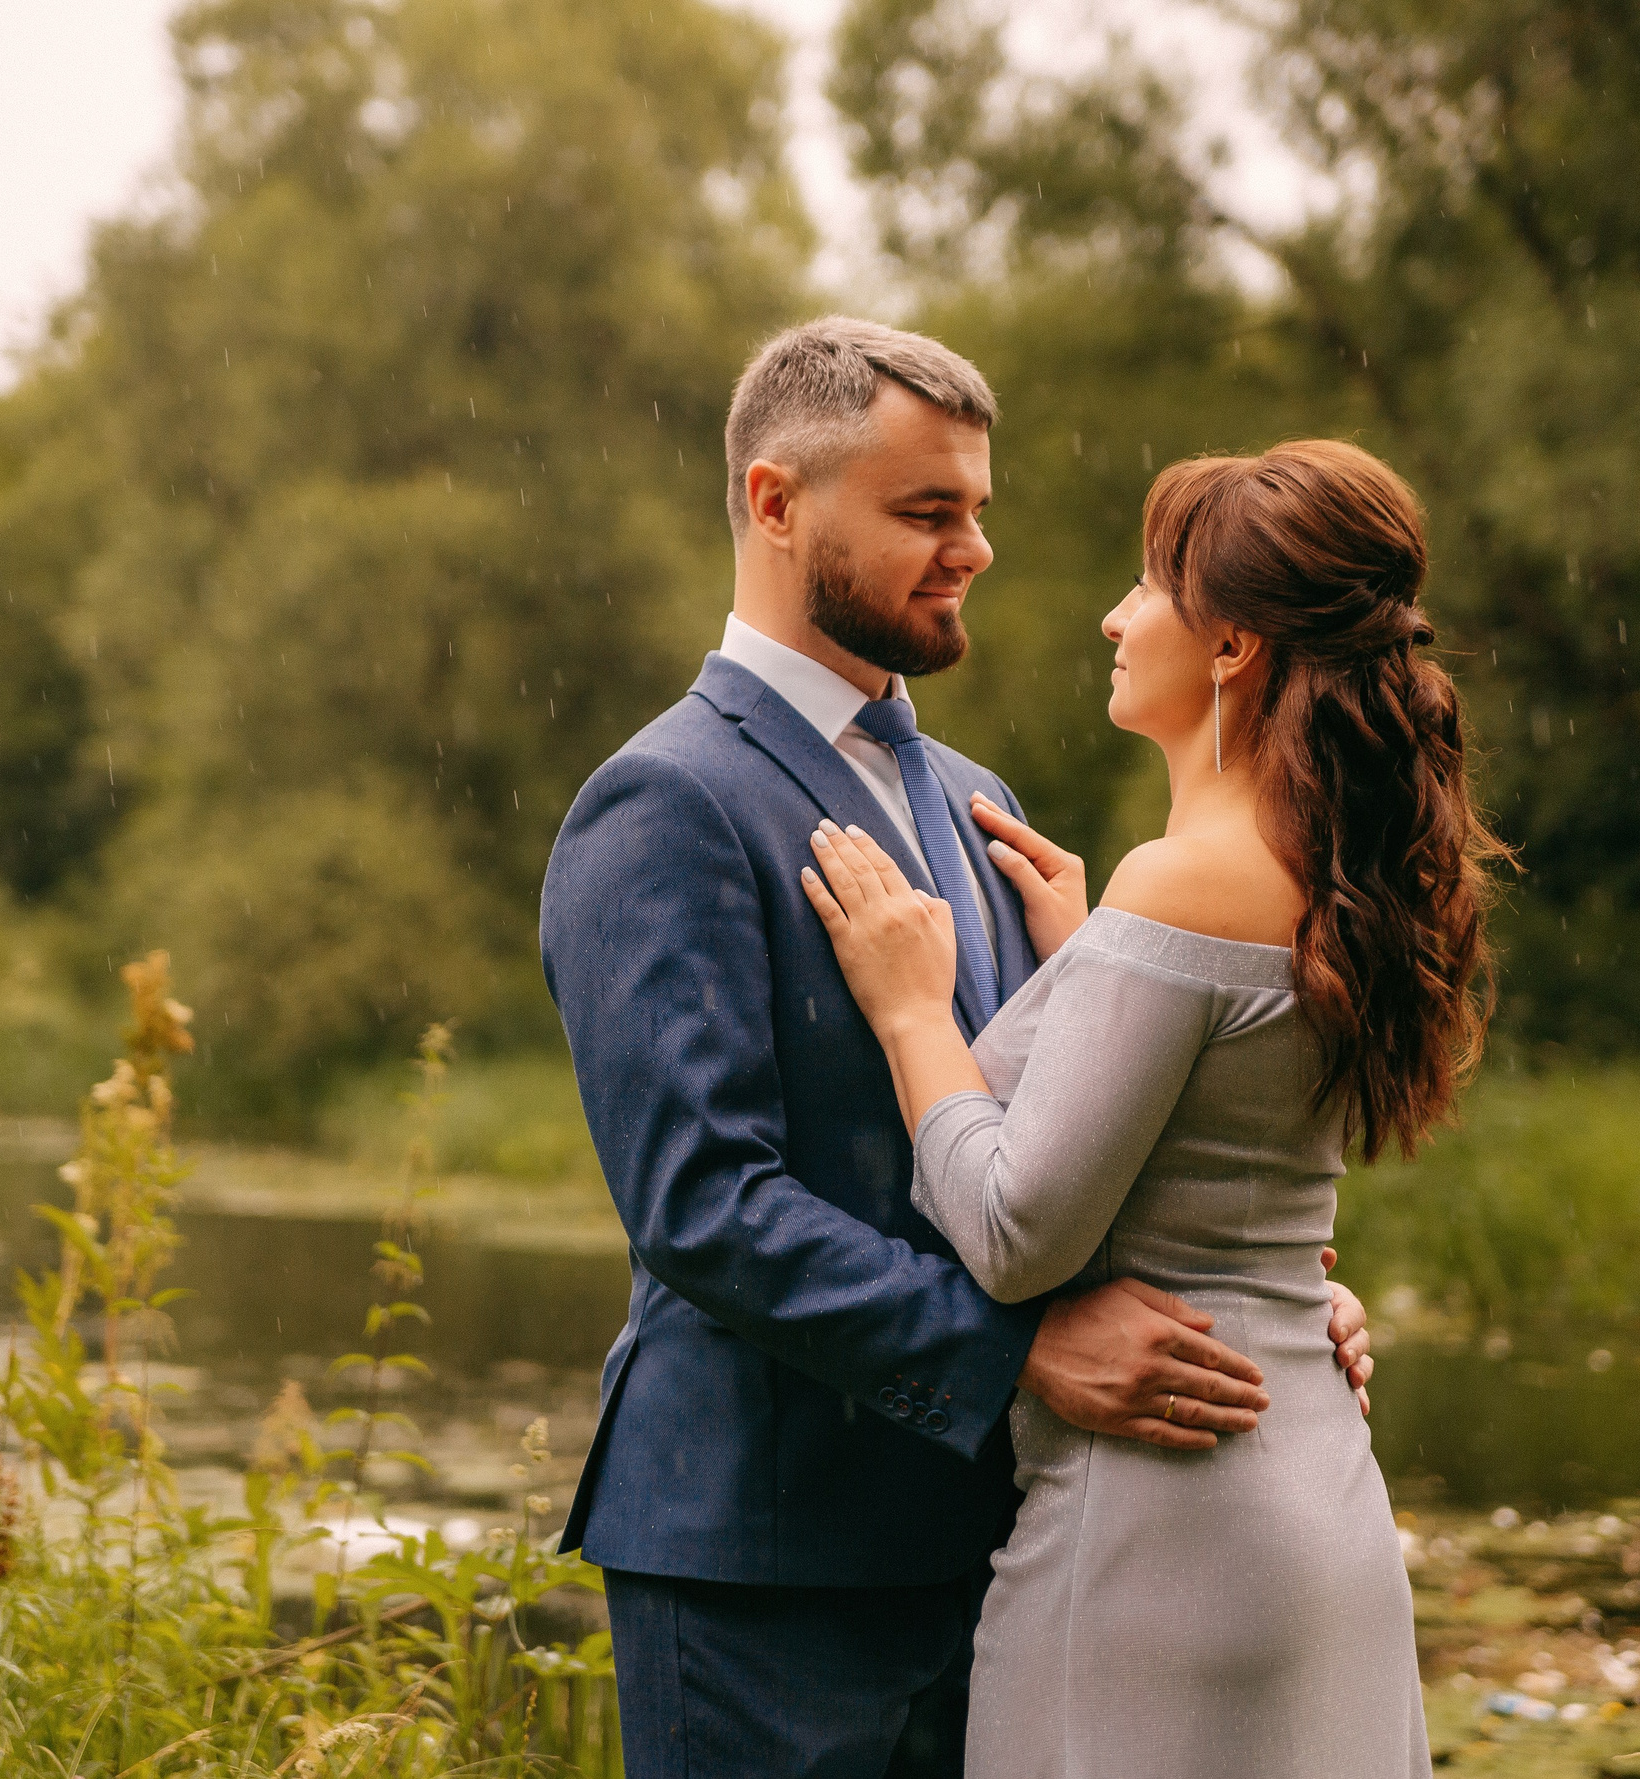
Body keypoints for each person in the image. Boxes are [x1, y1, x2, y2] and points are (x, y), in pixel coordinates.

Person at [538, 319, 1375, 1778]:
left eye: (977, 510)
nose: (974, 547)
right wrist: (1021, 1355)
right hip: (767, 1565)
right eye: (928, 512)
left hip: (998, 1550)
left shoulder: (980, 803)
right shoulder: (662, 803)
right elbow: (704, 1208)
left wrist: (1262, 1300)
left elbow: (1060, 1147)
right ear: (777, 503)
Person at [798, 436, 1505, 1777]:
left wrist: (909, 1009)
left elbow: (1018, 1234)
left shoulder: (1179, 884)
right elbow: (1220, 1149)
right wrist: (1088, 971)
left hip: (1164, 1531)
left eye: (1148, 588)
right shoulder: (1331, 872)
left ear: (1233, 645)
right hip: (1309, 1499)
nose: (1117, 617)